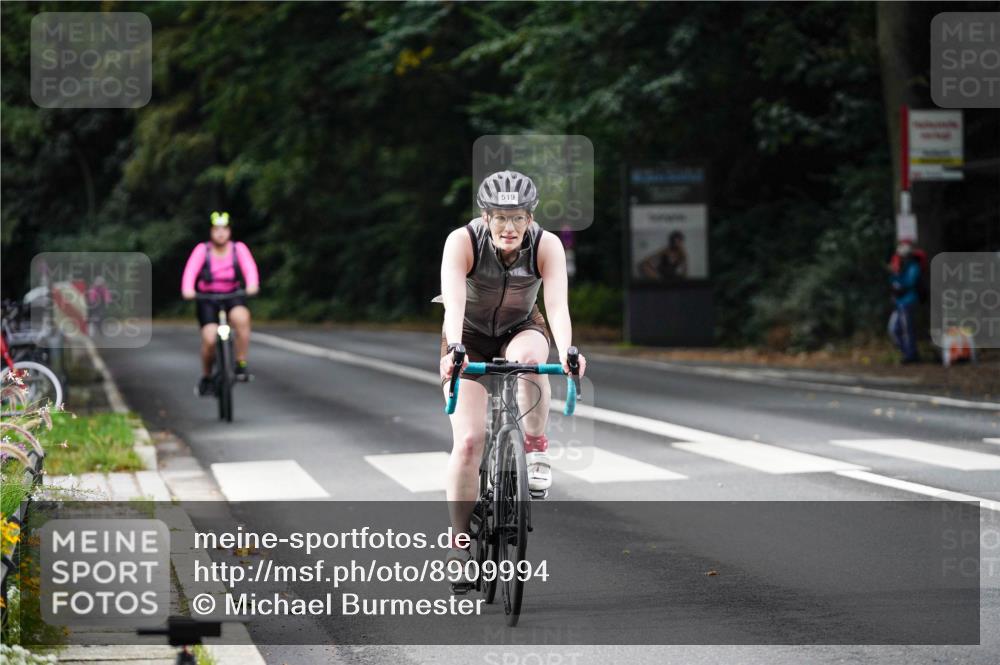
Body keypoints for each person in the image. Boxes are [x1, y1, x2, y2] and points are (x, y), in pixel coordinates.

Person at [437, 170, 587, 572]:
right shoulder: (462, 241)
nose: (509, 226)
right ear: (485, 216)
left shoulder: (545, 244)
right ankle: (459, 542)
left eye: (518, 217)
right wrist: (455, 349)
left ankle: (536, 448)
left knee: (533, 362)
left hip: (522, 326)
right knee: (469, 441)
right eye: (500, 217)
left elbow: (556, 306)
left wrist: (569, 350)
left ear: (530, 217)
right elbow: (453, 304)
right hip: (466, 334)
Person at [181, 211, 260, 394]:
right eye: (216, 229)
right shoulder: (203, 250)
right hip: (207, 298)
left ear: (230, 231)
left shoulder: (238, 249)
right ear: (210, 231)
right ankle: (207, 377)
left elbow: (249, 269)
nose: (220, 233)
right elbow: (190, 272)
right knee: (209, 339)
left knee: (241, 318)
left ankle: (240, 364)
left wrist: (252, 285)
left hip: (233, 295)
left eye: (224, 229)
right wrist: (188, 290)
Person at [888, 240, 920, 364]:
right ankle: (906, 352)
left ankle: (911, 355)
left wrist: (899, 286)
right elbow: (893, 281)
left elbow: (910, 282)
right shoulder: (898, 266)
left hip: (908, 301)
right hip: (899, 302)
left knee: (907, 329)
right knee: (893, 329)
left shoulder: (913, 266)